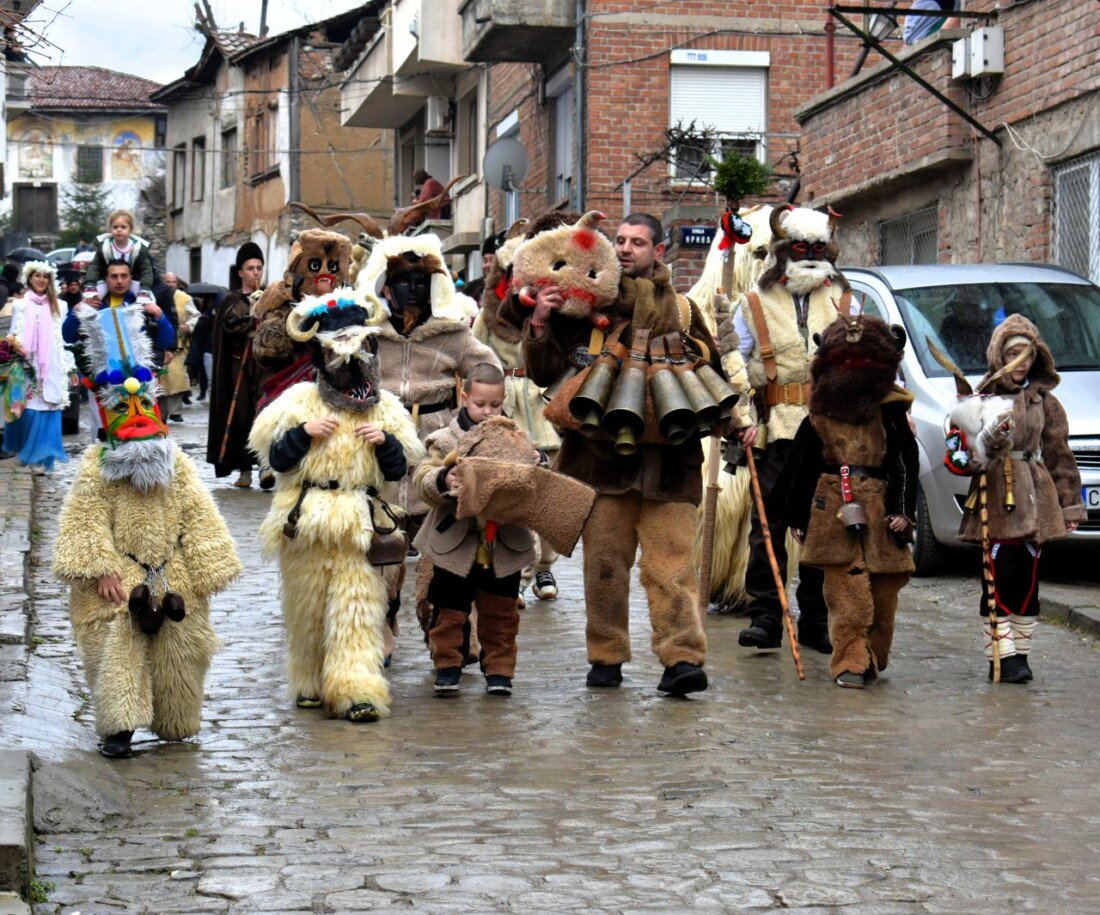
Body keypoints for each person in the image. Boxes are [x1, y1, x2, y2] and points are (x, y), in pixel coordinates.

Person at [523, 213, 721, 696]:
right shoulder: (584, 308)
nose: (627, 249)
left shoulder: (687, 312)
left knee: (672, 568)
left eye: (638, 242)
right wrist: (542, 319)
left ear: (659, 251)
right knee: (605, 568)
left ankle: (682, 660)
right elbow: (543, 372)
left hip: (670, 466)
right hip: (600, 464)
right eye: (621, 240)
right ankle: (606, 656)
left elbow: (711, 383)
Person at [53, 294, 241, 758]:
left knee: (183, 644)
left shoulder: (175, 462)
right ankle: (119, 727)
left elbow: (198, 513)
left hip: (170, 568)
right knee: (120, 643)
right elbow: (85, 520)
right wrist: (101, 569)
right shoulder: (97, 467)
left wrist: (205, 565)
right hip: (120, 573)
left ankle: (174, 719)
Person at [249, 291, 424, 721]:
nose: (347, 357)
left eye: (356, 345)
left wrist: (386, 443)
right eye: (335, 346)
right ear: (320, 349)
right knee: (306, 608)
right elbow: (275, 460)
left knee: (357, 608)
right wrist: (303, 433)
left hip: (359, 522)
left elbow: (399, 469)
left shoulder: (383, 407)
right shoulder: (296, 402)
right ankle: (308, 679)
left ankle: (356, 690)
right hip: (306, 518)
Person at [356, 232, 500, 656]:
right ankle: (381, 622)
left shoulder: (451, 333)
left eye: (422, 282)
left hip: (436, 439)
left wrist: (479, 417)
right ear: (386, 286)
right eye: (404, 282)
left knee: (441, 537)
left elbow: (487, 369)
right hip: (381, 442)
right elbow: (336, 374)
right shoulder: (367, 333)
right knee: (381, 535)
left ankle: (446, 625)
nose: (413, 290)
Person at [732, 205, 848, 656]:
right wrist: (739, 413)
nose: (811, 256)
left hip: (827, 431)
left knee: (821, 526)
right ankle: (766, 617)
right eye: (802, 247)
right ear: (783, 251)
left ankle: (816, 619)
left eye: (819, 248)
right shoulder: (754, 302)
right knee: (768, 526)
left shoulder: (845, 299)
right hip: (774, 429)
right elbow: (733, 362)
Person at [781, 312, 918, 688]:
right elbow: (802, 467)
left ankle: (872, 652)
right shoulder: (819, 417)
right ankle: (850, 661)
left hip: (881, 509)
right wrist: (798, 515)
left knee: (884, 594)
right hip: (832, 510)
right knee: (846, 591)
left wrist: (903, 512)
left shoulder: (891, 413)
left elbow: (905, 462)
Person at [949, 314, 1086, 683]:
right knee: (998, 577)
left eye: (1027, 355)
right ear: (999, 355)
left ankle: (1021, 655)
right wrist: (984, 444)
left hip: (1035, 496)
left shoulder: (1046, 402)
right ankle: (1002, 658)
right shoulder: (979, 398)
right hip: (994, 497)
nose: (1021, 362)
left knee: (1028, 580)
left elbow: (1060, 455)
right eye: (1013, 353)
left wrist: (1069, 504)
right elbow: (959, 456)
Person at [413, 363, 536, 696]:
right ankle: (447, 666)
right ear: (464, 397)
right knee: (449, 610)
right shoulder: (443, 440)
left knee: (501, 612)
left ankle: (499, 671)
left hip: (504, 542)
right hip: (454, 543)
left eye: (495, 405)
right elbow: (423, 480)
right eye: (480, 404)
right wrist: (444, 479)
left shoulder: (519, 439)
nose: (487, 411)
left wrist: (534, 467)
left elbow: (539, 477)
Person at [473, 216, 569, 602]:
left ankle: (545, 568)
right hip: (505, 406)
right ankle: (518, 574)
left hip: (543, 400)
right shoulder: (490, 316)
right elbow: (473, 355)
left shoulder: (554, 313)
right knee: (515, 495)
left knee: (549, 493)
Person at [206, 242, 270, 489]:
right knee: (242, 417)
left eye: (259, 268)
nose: (255, 273)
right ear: (240, 272)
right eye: (250, 268)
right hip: (238, 368)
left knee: (263, 415)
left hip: (264, 367)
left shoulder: (270, 297)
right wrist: (251, 318)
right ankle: (244, 469)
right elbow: (229, 326)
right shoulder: (231, 301)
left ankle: (266, 465)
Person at [1, 261, 74, 473]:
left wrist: (69, 366)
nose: (41, 280)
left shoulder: (60, 306)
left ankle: (44, 455)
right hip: (27, 363)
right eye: (37, 276)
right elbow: (13, 332)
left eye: (45, 276)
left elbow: (63, 338)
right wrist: (15, 346)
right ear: (29, 279)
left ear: (50, 280)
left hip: (51, 363)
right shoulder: (20, 305)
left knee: (49, 405)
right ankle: (28, 451)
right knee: (29, 408)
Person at [82, 209, 156, 302]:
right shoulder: (105, 247)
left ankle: (145, 316)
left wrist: (145, 287)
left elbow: (146, 270)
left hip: (131, 281)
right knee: (90, 299)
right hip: (108, 282)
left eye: (123, 227)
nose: (119, 230)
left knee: (150, 300)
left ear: (130, 229)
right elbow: (95, 266)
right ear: (110, 229)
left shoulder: (137, 248)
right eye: (115, 227)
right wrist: (91, 283)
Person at [160, 272, 198, 422]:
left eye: (173, 281)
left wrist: (188, 326)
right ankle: (162, 412)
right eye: (167, 282)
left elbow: (196, 316)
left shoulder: (185, 298)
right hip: (163, 341)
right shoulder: (158, 295)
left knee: (177, 377)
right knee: (162, 378)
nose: (170, 284)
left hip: (180, 344)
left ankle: (175, 411)